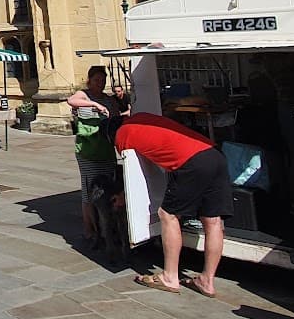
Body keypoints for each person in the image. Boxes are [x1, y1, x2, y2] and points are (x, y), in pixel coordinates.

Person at [115, 112, 232, 297]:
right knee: (213, 220)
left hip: (191, 162)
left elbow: (131, 172)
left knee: (168, 215)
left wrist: (122, 196)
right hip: (214, 154)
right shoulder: (141, 117)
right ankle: (207, 281)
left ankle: (169, 277)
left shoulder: (121, 134)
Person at [67, 65, 126, 246]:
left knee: (107, 190)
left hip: (106, 151)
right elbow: (71, 100)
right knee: (89, 192)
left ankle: (107, 228)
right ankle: (90, 230)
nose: (100, 83)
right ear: (89, 81)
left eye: (102, 80)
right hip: (87, 152)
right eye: (96, 80)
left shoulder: (109, 99)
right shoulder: (84, 95)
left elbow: (116, 118)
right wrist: (94, 104)